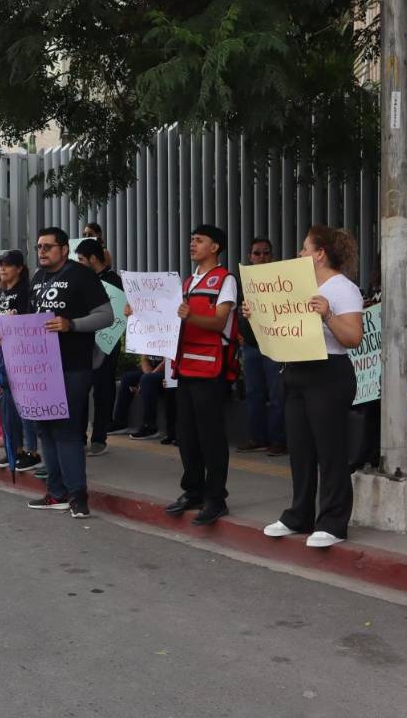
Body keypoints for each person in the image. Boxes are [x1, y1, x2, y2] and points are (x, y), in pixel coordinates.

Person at [258, 226, 364, 547]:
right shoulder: (298, 287)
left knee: (329, 450)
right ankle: (299, 515)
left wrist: (328, 314)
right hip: (296, 370)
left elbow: (353, 338)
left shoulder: (343, 288)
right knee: (300, 449)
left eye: (305, 249)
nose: (299, 254)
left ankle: (333, 521)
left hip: (329, 372)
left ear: (320, 253)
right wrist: (257, 314)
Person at [25, 227, 114, 517]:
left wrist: (71, 324)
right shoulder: (38, 278)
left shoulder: (81, 275)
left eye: (48, 247)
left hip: (72, 365)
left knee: (66, 430)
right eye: (39, 246)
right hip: (41, 368)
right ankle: (56, 492)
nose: (42, 251)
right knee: (45, 430)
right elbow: (30, 320)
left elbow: (106, 316)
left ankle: (77, 496)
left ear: (64, 249)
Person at [160, 224, 239, 525]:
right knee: (187, 434)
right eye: (191, 239)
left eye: (199, 240)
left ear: (215, 247)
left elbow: (220, 322)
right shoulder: (188, 281)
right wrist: (140, 313)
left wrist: (190, 316)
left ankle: (216, 498)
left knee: (211, 436)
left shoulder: (226, 280)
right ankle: (193, 490)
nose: (192, 244)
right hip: (186, 366)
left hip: (210, 367)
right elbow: (170, 319)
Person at [0, 249, 41, 473]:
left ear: (20, 268)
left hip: (24, 354)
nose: (2, 269)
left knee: (25, 403)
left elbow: (32, 322)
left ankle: (32, 451)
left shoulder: (26, 292)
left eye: (8, 265)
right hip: (5, 353)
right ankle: (15, 450)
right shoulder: (1, 294)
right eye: (0, 265)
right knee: (8, 405)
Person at [237, 236, 287, 455]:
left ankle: (278, 441)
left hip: (275, 345)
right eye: (257, 253)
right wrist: (238, 332)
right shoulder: (243, 281)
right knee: (254, 393)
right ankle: (257, 438)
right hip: (250, 345)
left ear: (272, 256)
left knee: (277, 394)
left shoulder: (279, 279)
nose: (261, 257)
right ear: (250, 256)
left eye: (266, 252)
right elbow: (235, 309)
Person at [75, 237, 122, 456]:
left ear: (94, 258)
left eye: (82, 259)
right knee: (81, 390)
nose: (79, 263)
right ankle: (79, 436)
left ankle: (99, 438)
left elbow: (120, 311)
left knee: (102, 391)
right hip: (84, 342)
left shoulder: (114, 281)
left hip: (106, 344)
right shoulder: (81, 280)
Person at [109, 355, 169, 439]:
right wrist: (146, 377)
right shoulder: (147, 341)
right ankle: (120, 423)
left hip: (168, 376)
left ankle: (150, 427)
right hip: (151, 374)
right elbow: (144, 359)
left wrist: (147, 378)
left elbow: (167, 362)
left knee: (147, 379)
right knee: (128, 378)